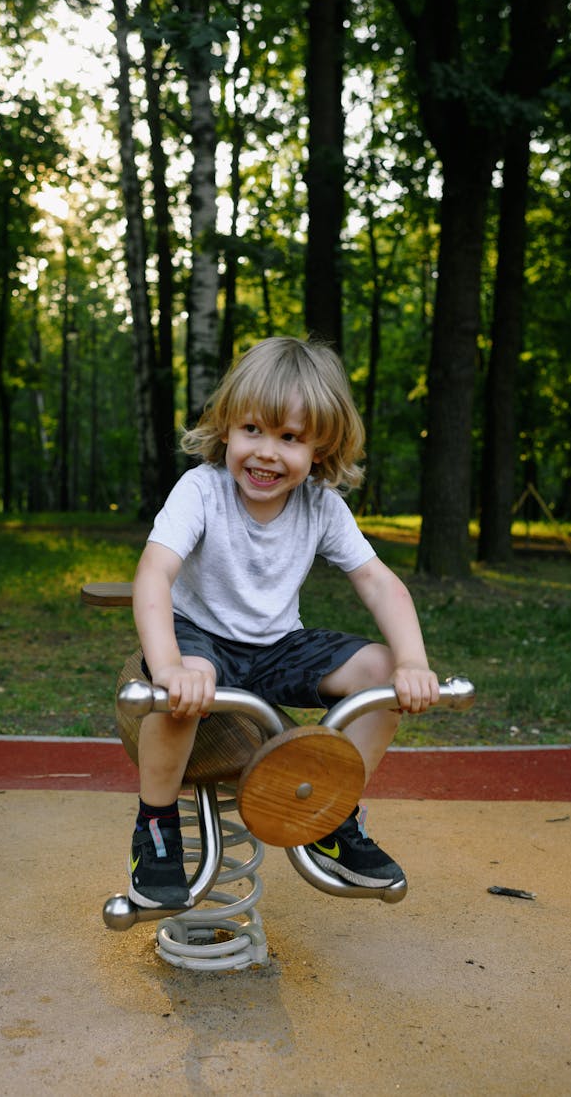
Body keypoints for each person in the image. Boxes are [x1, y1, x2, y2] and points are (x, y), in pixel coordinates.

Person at [127, 336, 439, 910]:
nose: (267, 452)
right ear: (226, 428)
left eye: (290, 438)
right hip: (202, 636)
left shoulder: (321, 504)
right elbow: (154, 574)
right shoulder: (202, 490)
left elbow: (379, 582)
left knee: (385, 673)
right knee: (186, 683)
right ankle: (156, 830)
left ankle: (330, 811)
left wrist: (413, 662)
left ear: (320, 448)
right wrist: (168, 664)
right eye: (253, 430)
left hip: (278, 646)